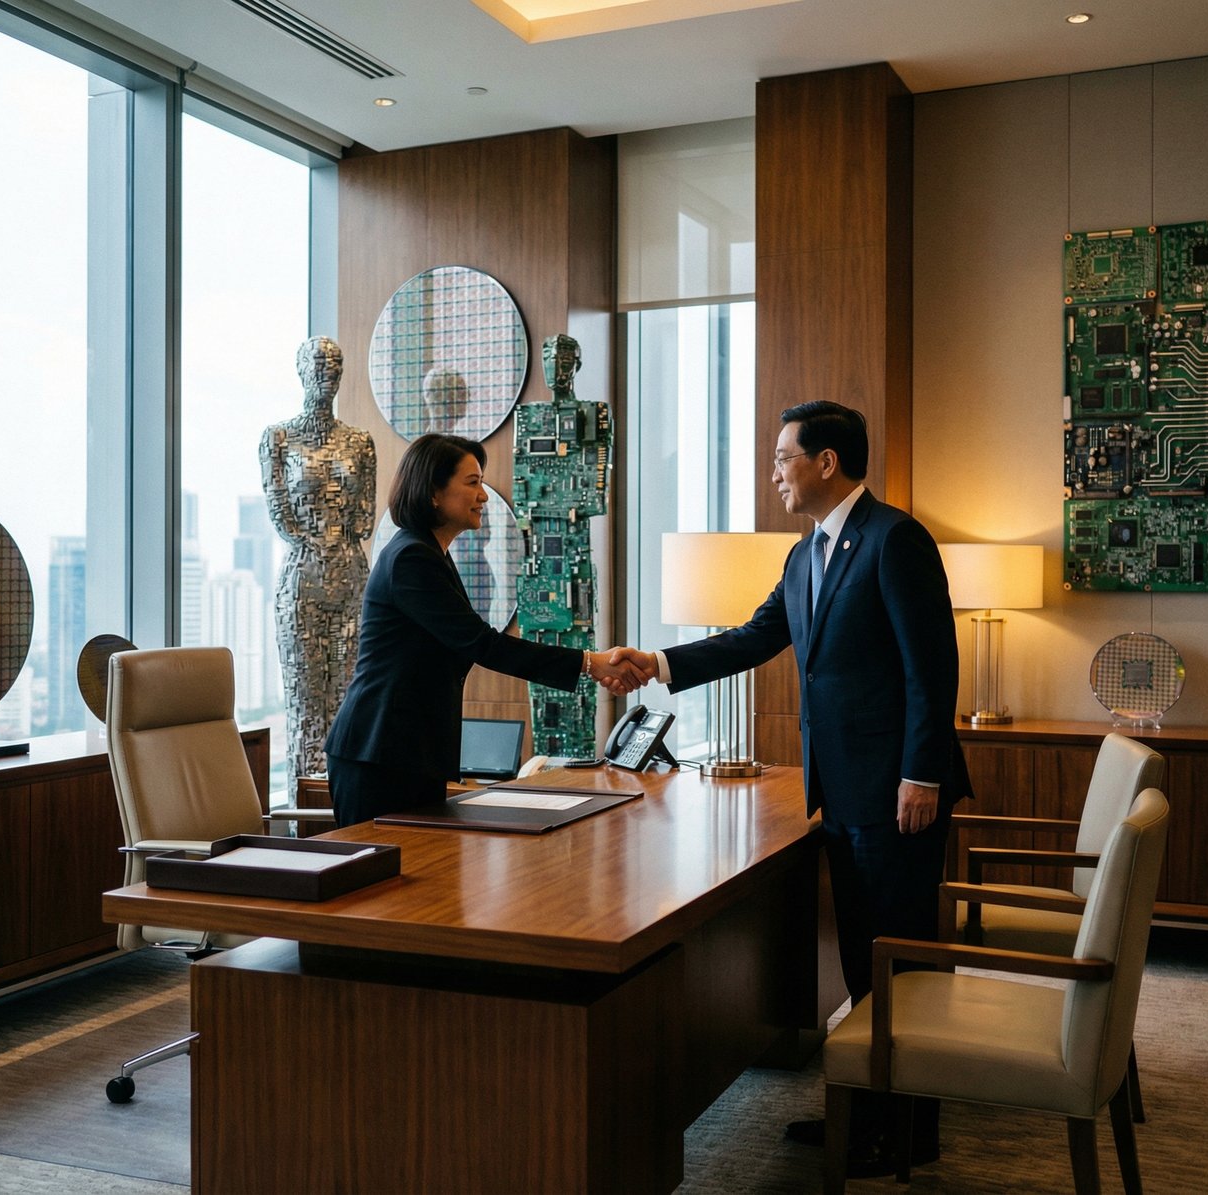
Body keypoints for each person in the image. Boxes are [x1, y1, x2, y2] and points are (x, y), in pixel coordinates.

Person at [612, 400, 970, 1177]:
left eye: (783, 457)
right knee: (858, 964)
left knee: (899, 965)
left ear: (827, 461)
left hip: (897, 794)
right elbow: (754, 637)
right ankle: (865, 1112)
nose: (774, 470)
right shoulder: (805, 554)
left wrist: (922, 772)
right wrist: (660, 664)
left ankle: (909, 1132)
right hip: (838, 792)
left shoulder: (894, 539)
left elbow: (930, 667)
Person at [324, 433, 646, 827]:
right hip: (379, 751)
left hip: (408, 749)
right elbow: (482, 644)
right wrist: (589, 662)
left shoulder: (429, 553)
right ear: (433, 492)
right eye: (472, 482)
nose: (484, 496)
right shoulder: (411, 557)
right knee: (379, 881)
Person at [260, 336, 376, 806]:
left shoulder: (361, 443)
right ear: (301, 372)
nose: (327, 373)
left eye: (335, 366)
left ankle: (346, 814)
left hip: (351, 576)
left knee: (350, 699)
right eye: (319, 365)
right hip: (303, 578)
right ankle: (306, 818)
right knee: (306, 702)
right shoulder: (278, 438)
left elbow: (366, 519)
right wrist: (325, 531)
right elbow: (282, 516)